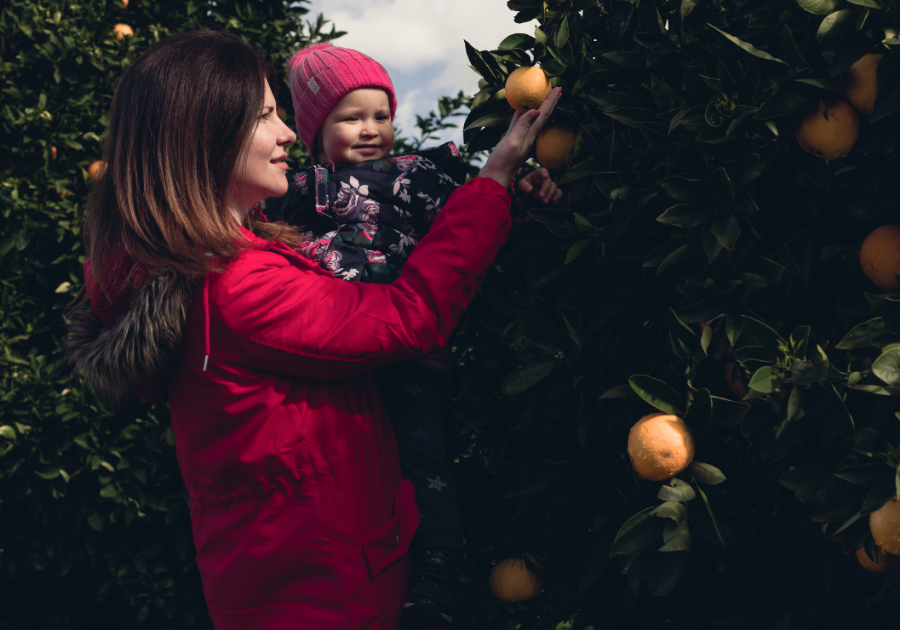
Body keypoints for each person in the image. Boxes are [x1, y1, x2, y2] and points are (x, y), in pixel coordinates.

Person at [64, 29, 560, 630]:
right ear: (206, 140)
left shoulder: (200, 265)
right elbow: (410, 316)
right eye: (265, 117)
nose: (288, 135)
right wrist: (496, 178)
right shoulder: (234, 285)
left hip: (290, 588)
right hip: (328, 601)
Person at [260, 43, 563, 624]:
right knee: (351, 483)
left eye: (381, 115)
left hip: (409, 357)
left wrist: (525, 195)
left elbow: (473, 224)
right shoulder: (293, 190)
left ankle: (436, 581)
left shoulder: (418, 178)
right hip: (338, 362)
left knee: (424, 465)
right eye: (350, 117)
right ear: (313, 130)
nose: (371, 129)